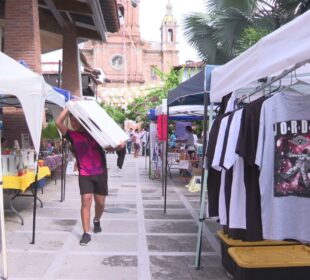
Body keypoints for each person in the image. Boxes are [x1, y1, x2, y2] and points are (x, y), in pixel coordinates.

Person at [56, 108, 124, 246]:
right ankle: (86, 233)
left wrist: (118, 147)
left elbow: (112, 146)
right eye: (71, 120)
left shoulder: (96, 134)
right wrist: (68, 107)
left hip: (100, 173)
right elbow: (58, 121)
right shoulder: (71, 135)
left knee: (100, 203)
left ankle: (97, 220)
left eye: (76, 120)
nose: (74, 122)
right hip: (85, 174)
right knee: (86, 202)